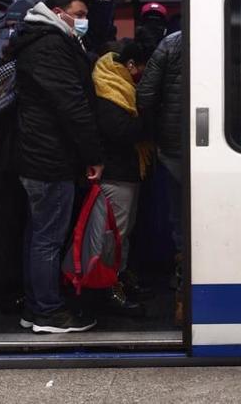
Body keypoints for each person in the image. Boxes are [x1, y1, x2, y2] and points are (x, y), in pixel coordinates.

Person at [8, 0, 104, 333]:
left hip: (40, 154)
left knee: (39, 236)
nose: (84, 21)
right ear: (57, 11)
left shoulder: (45, 39)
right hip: (49, 157)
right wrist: (93, 155)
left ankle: (36, 307)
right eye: (78, 15)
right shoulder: (50, 45)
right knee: (48, 238)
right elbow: (72, 105)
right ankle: (47, 311)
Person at [91, 40, 154, 312]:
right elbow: (121, 131)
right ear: (129, 65)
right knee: (112, 235)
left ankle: (117, 279)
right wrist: (147, 121)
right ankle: (106, 289)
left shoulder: (121, 85)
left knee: (121, 234)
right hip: (116, 172)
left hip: (127, 171)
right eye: (141, 68)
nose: (142, 74)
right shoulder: (109, 90)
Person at [137, 30, 184, 324]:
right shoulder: (233, 29)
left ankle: (182, 292)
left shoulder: (169, 43)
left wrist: (154, 133)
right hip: (231, 142)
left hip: (174, 146)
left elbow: (146, 95)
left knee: (180, 221)